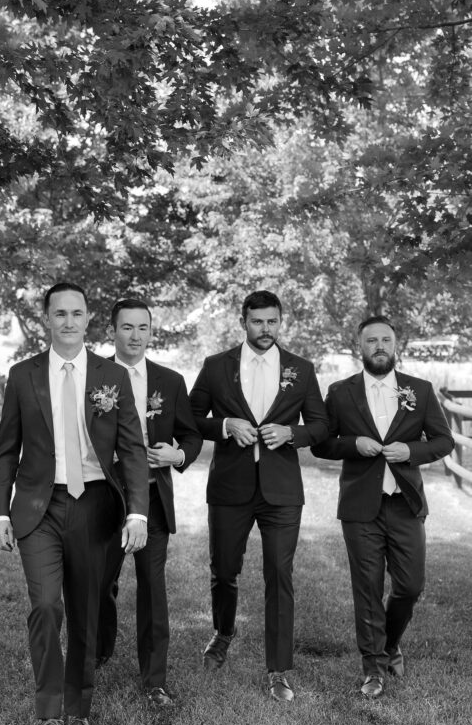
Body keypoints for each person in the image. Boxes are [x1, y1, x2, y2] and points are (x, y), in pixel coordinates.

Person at [0, 281, 149, 725]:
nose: (68, 322)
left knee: (86, 608)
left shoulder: (111, 376)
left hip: (97, 504)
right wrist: (0, 510)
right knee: (46, 606)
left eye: (77, 313)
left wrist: (137, 510)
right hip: (40, 507)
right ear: (47, 318)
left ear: (88, 319)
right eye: (59, 313)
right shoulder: (23, 376)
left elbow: (132, 449)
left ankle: (79, 702)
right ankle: (48, 714)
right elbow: (5, 451)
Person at [188, 289, 328, 702]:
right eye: (257, 322)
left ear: (280, 322)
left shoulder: (301, 369)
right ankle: (223, 631)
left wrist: (293, 433)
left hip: (281, 490)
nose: (265, 330)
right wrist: (226, 425)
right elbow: (192, 418)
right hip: (230, 486)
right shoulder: (216, 367)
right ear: (243, 322)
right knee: (224, 568)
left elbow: (320, 425)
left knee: (279, 575)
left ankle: (278, 669)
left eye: (272, 322)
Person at [311, 316, 454, 698]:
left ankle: (390, 643)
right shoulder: (341, 392)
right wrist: (352, 444)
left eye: (385, 340)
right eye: (371, 340)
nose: (379, 346)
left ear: (396, 344)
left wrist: (412, 450)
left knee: (410, 586)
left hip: (405, 504)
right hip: (361, 507)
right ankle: (373, 667)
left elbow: (443, 441)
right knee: (367, 588)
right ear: (359, 346)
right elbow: (322, 444)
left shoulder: (420, 391)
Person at [96, 297, 203, 709]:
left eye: (143, 328)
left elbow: (191, 436)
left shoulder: (170, 381)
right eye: (127, 327)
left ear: (151, 332)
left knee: (153, 589)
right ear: (112, 331)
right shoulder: (94, 375)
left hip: (153, 498)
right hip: (102, 495)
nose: (135, 336)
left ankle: (154, 679)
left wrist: (177, 456)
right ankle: (98, 651)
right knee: (99, 582)